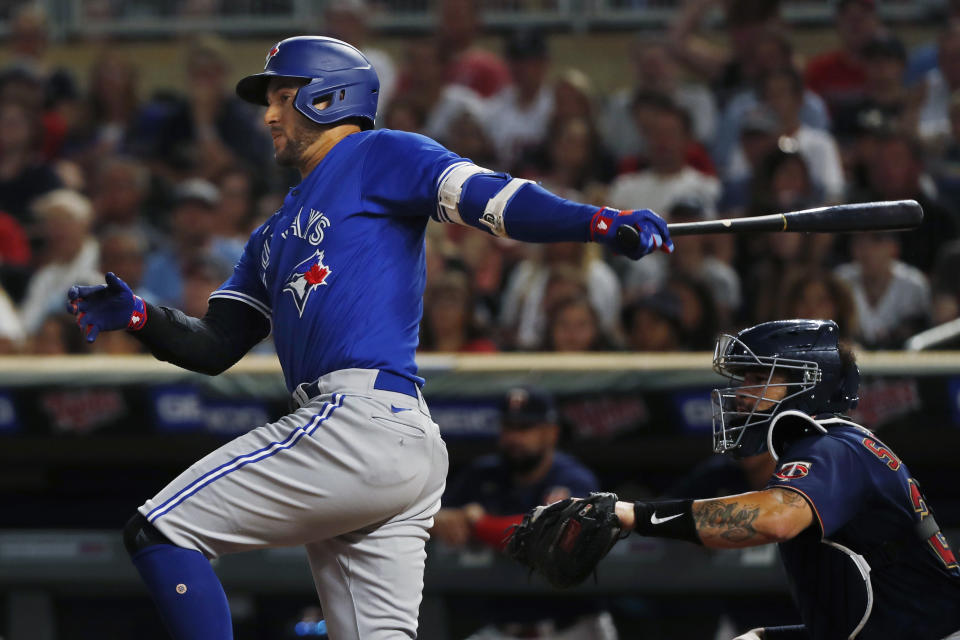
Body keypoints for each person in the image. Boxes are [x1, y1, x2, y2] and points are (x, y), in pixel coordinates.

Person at [65, 36, 672, 640]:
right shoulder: (272, 234)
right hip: (388, 446)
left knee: (161, 530)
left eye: (283, 96)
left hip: (357, 421)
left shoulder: (379, 154)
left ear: (330, 97)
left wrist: (598, 221)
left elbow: (494, 199)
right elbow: (217, 344)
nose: (269, 114)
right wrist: (141, 317)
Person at [519, 319, 960, 639]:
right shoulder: (837, 445)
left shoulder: (831, 448)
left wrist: (631, 514)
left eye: (758, 377)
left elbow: (775, 520)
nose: (741, 394)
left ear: (807, 385)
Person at [432, 386, 617, 639]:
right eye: (508, 427)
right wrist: (436, 518)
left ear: (551, 433)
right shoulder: (483, 474)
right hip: (503, 629)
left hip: (573, 628)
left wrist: (478, 522)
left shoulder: (573, 479)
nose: (514, 438)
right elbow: (425, 514)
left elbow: (541, 534)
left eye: (525, 429)